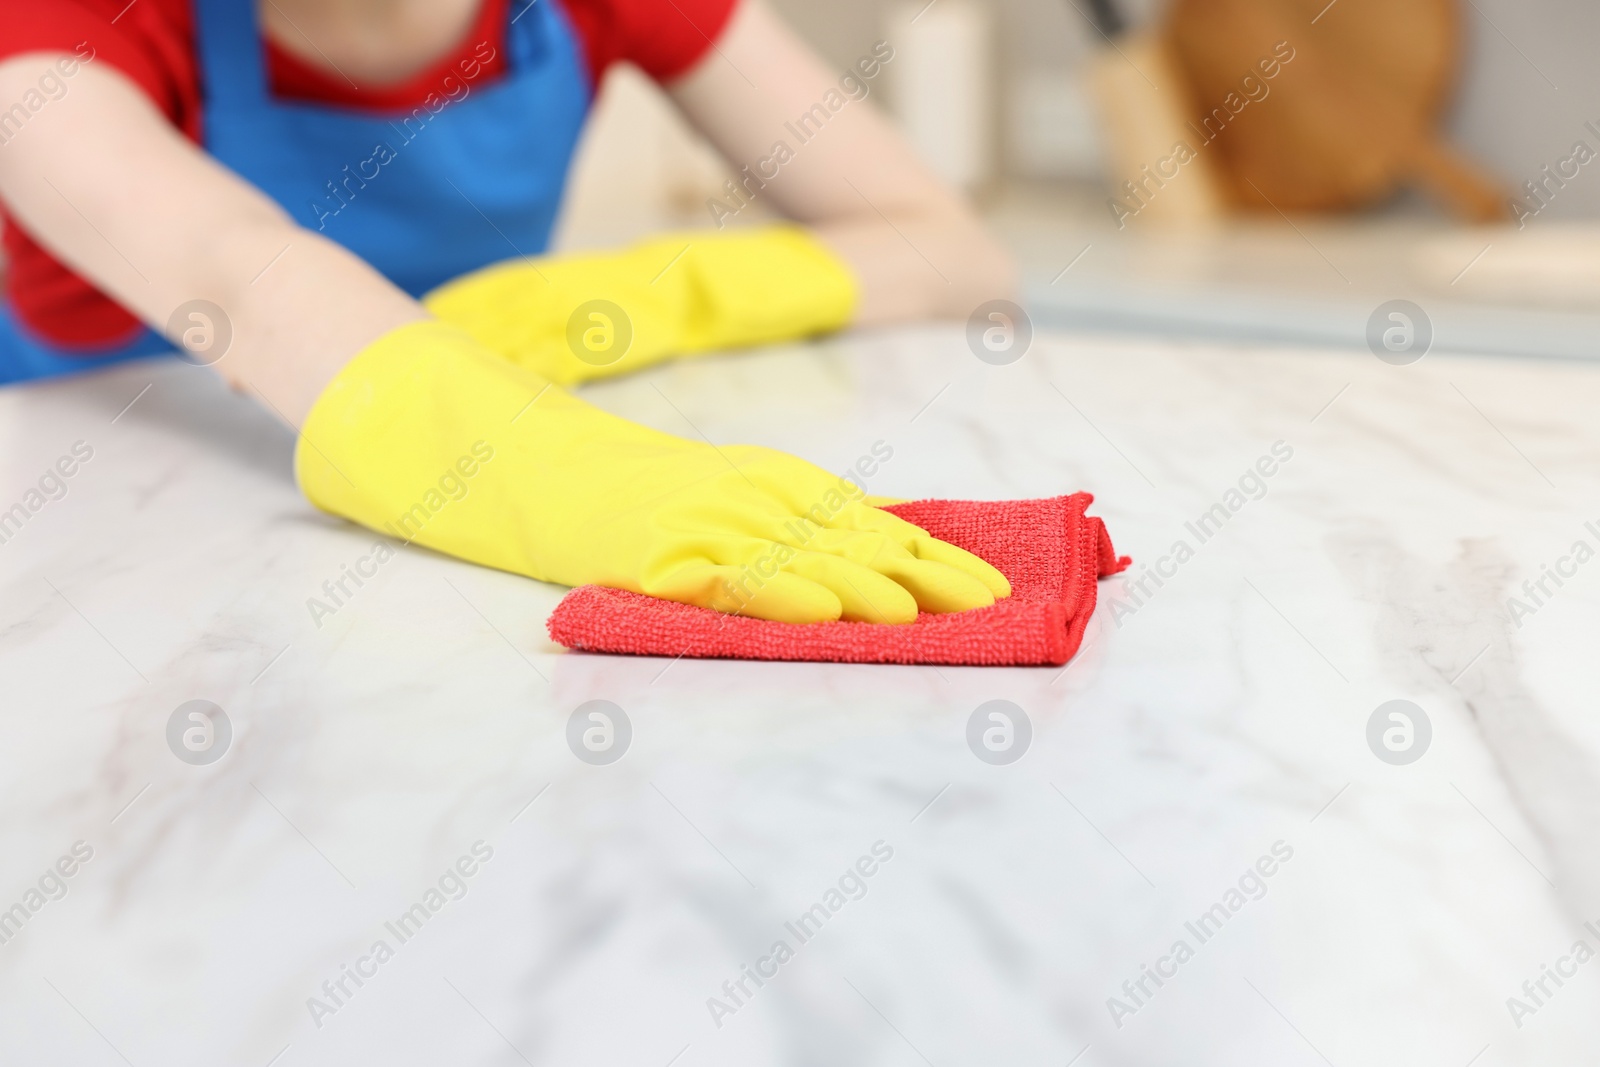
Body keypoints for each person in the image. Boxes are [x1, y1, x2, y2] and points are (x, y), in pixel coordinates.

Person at [0, 0, 1015, 625]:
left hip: (423, 589)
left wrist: (639, 297)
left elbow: (959, 256)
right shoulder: (57, 27)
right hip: (97, 564)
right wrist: (563, 472)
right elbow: (235, 276)